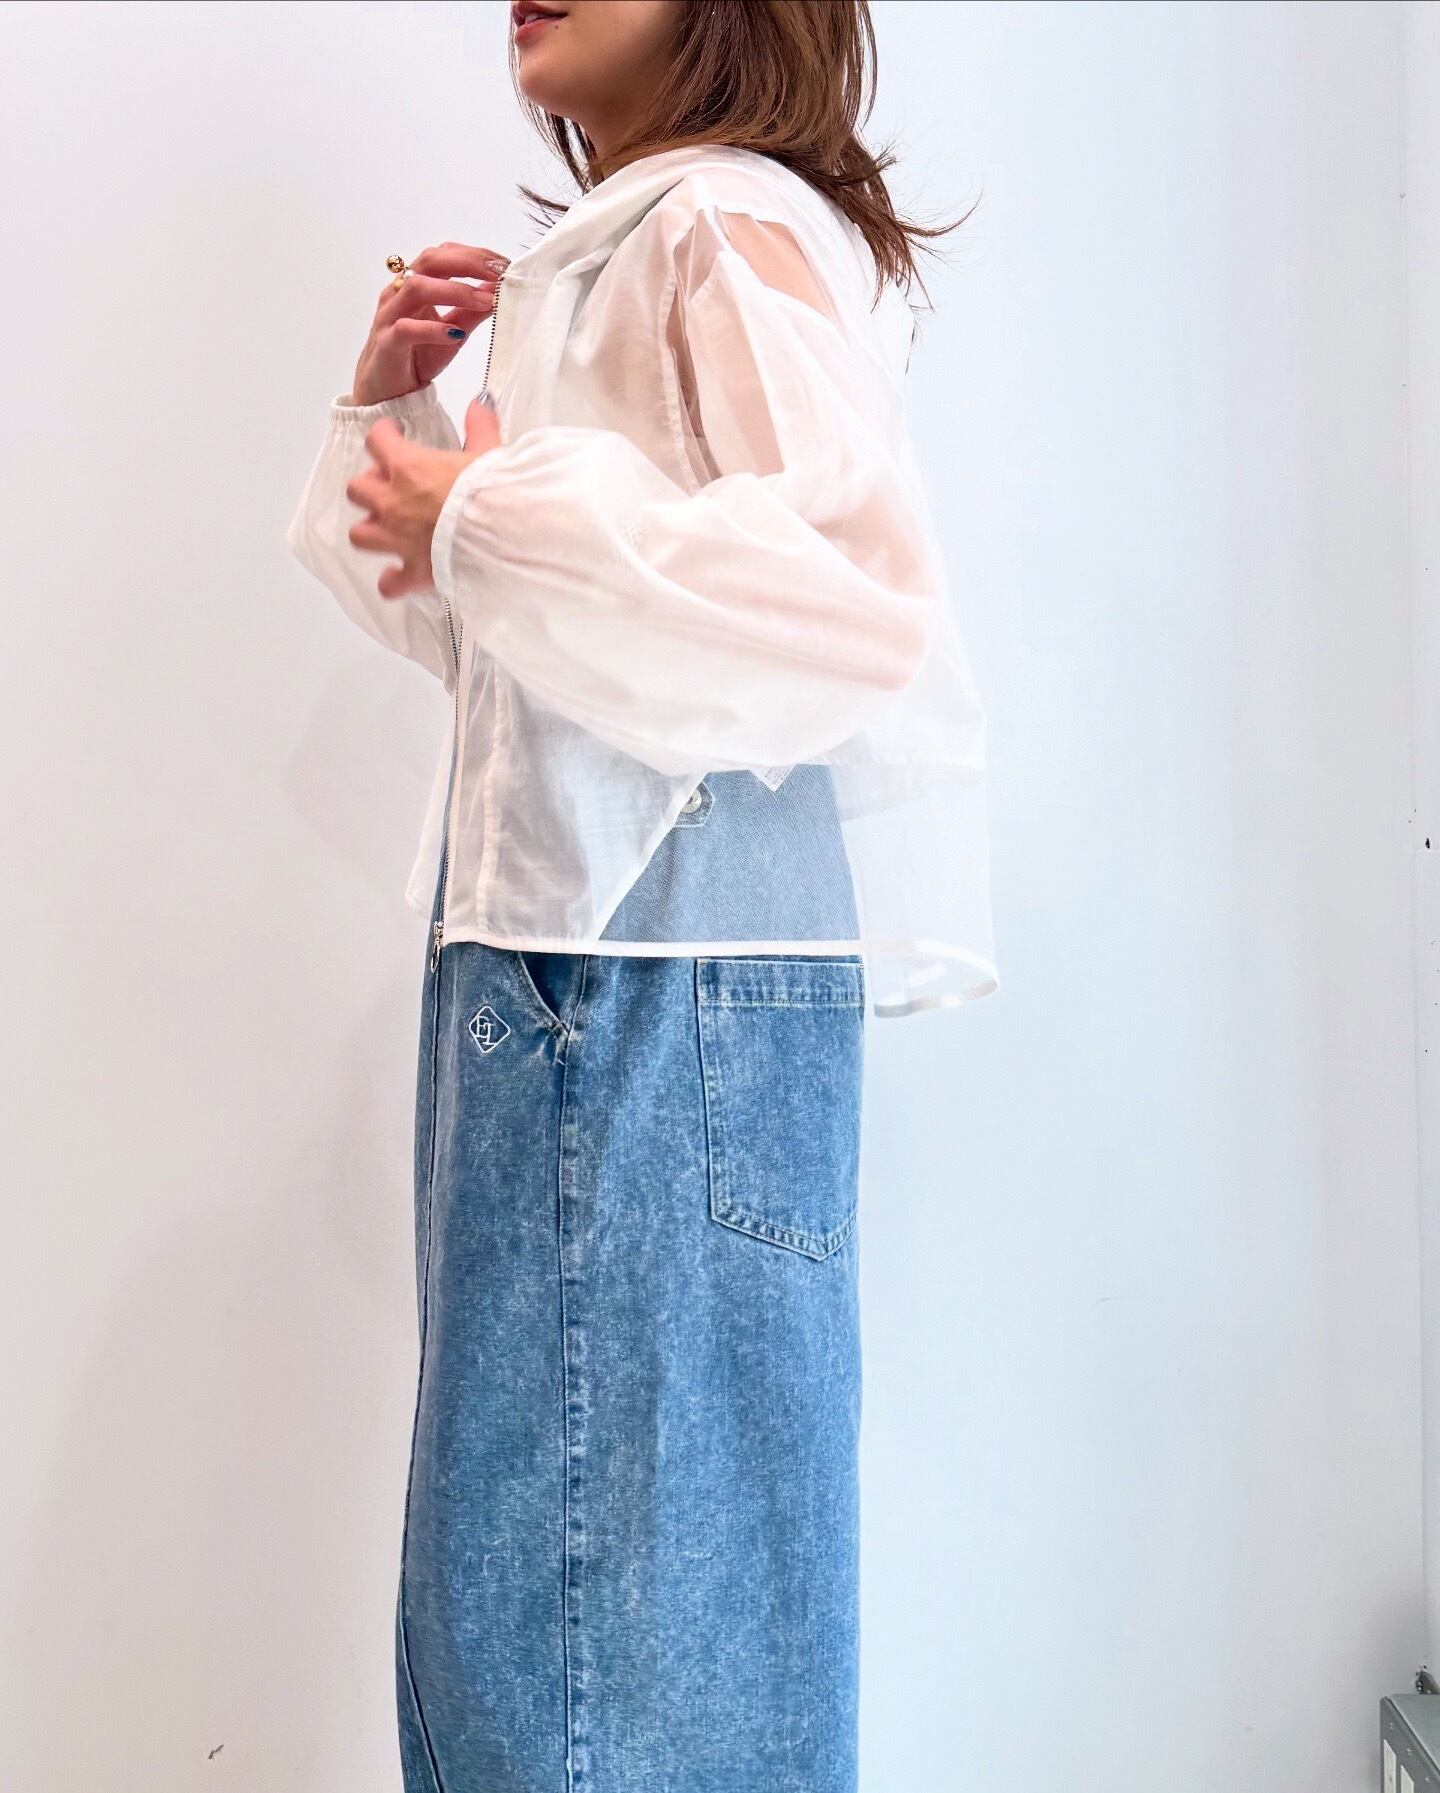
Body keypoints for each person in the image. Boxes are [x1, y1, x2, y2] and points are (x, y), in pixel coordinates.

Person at [285, 2, 997, 1787]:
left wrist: (494, 510)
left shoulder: (708, 225)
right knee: (571, 1632)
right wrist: (404, 438)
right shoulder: (638, 245)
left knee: (583, 1658)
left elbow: (859, 601)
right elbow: (531, 671)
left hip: (629, 997)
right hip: (587, 982)